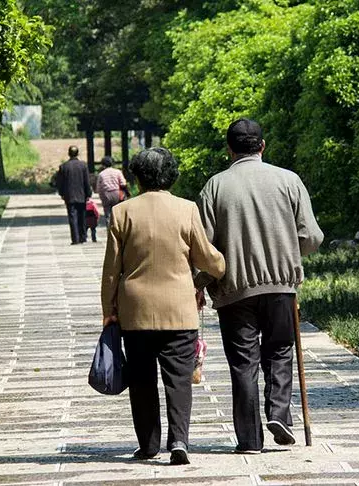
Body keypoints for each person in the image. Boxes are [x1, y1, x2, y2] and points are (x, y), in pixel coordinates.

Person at [195, 118, 324, 453]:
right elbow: (312, 237)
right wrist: (289, 251)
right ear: (263, 146)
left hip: (234, 291)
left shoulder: (215, 186)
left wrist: (200, 283)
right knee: (281, 349)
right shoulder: (289, 180)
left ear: (229, 149)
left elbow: (206, 249)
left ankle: (250, 439)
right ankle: (279, 411)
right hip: (282, 286)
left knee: (243, 363)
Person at [101, 147, 225, 465]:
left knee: (141, 379)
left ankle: (148, 444)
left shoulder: (122, 213)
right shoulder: (186, 209)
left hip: (135, 312)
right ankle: (179, 440)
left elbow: (111, 270)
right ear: (170, 175)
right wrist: (221, 265)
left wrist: (108, 309)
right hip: (179, 310)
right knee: (179, 379)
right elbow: (206, 258)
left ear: (138, 177)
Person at [56, 146, 92, 245]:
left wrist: (62, 193)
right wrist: (88, 193)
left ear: (69, 153)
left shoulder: (64, 166)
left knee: (72, 217)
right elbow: (86, 181)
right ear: (77, 153)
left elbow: (60, 182)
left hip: (69, 196)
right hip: (82, 195)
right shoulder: (83, 166)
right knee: (82, 216)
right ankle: (83, 237)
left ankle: (75, 239)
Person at [96, 156, 128, 225]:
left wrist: (102, 196)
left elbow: (98, 188)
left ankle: (109, 230)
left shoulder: (101, 174)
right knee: (118, 213)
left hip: (106, 194)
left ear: (103, 164)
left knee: (108, 215)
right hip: (117, 193)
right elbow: (123, 183)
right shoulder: (117, 172)